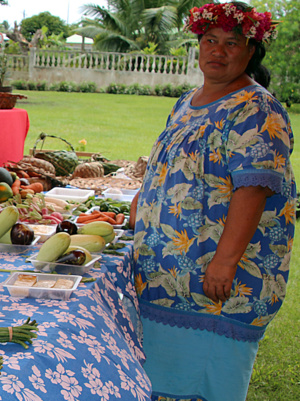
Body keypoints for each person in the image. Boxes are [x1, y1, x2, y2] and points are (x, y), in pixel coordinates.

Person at [129, 3, 295, 400]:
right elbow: (172, 161)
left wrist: (224, 262)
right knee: (164, 383)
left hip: (215, 280)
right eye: (210, 41)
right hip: (168, 273)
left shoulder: (258, 109)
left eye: (231, 43)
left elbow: (253, 188)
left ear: (250, 51)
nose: (217, 51)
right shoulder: (188, 101)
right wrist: (144, 197)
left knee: (209, 383)